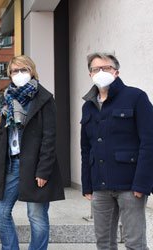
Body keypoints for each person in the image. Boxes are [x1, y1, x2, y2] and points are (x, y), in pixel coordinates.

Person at [0, 55, 65, 250]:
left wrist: (44, 170)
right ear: (9, 75)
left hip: (35, 166)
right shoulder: (8, 99)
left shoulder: (45, 99)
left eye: (23, 70)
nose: (18, 74)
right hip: (10, 164)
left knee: (36, 215)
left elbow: (49, 137)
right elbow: (3, 137)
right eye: (14, 71)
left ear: (32, 71)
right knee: (0, 211)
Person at [81, 52, 153, 250]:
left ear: (117, 72)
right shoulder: (88, 106)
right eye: (96, 69)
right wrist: (87, 184)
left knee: (134, 243)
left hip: (130, 184)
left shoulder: (136, 97)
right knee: (103, 243)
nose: (101, 72)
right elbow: (85, 148)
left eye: (106, 68)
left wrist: (143, 183)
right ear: (90, 74)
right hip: (100, 185)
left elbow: (149, 142)